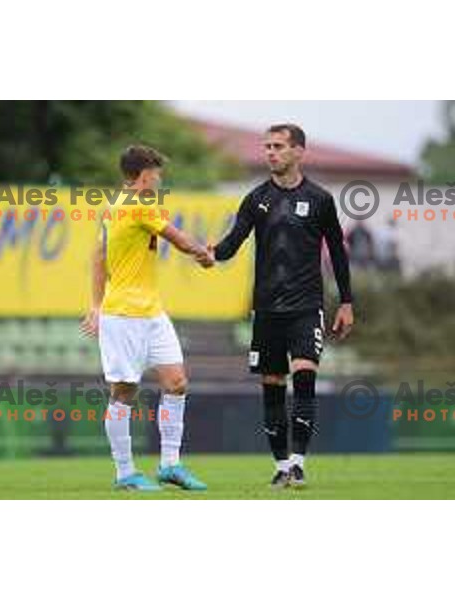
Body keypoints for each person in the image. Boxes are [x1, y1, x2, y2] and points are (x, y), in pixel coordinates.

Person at [209, 124, 354, 488]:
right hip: (267, 310)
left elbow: (337, 252)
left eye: (278, 146)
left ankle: (299, 463)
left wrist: (347, 302)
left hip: (306, 307)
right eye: (267, 146)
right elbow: (231, 244)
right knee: (273, 385)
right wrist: (207, 253)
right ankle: (280, 465)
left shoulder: (320, 199)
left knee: (304, 376)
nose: (270, 152)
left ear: (299, 151)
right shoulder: (256, 198)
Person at [81, 145, 212, 491]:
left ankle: (170, 465)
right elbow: (178, 240)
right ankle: (125, 472)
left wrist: (94, 303)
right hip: (123, 315)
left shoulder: (115, 208)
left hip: (152, 312)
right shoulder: (136, 206)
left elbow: (98, 256)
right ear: (144, 175)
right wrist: (204, 254)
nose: (160, 178)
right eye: (157, 172)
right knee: (124, 391)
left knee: (177, 383)